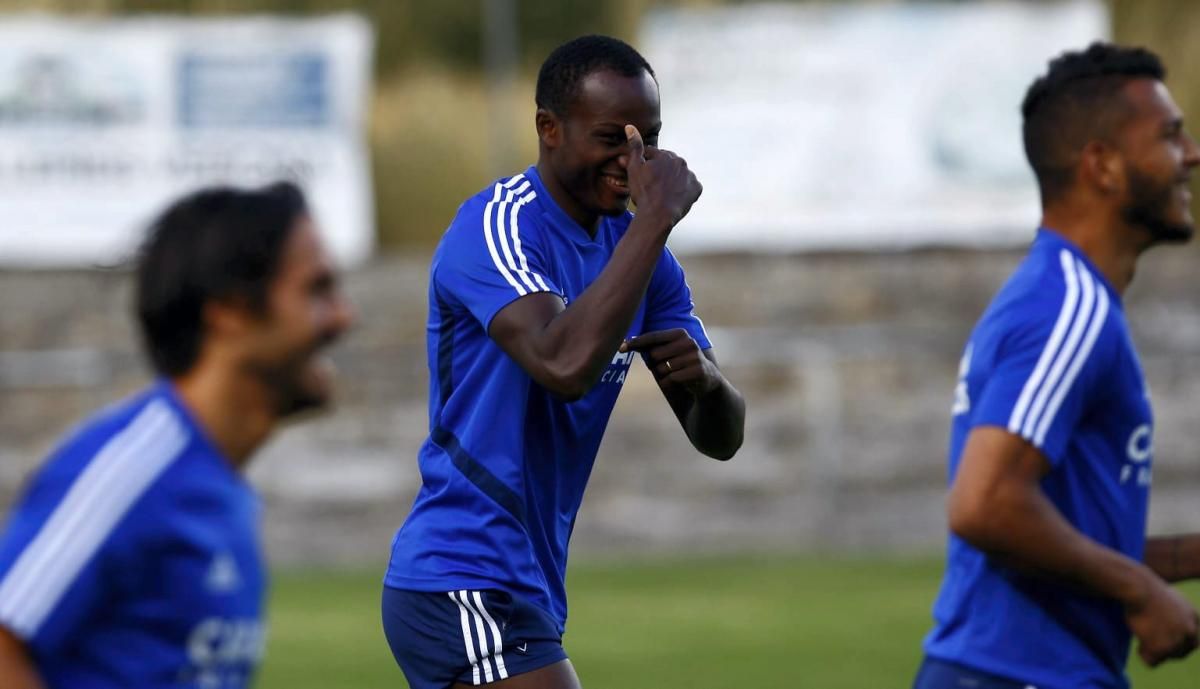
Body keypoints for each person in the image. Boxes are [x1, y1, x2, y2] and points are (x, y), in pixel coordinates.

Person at [381, 34, 746, 689]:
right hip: (463, 572)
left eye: (648, 139)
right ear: (550, 129)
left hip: (529, 581)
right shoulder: (496, 227)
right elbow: (564, 361)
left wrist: (709, 384)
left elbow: (718, 438)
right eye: (612, 138)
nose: (633, 161)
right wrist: (653, 221)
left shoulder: (641, 256)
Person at [914, 43, 1200, 689]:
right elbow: (984, 505)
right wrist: (1140, 592)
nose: (1191, 155)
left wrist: (1173, 565)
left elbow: (1062, 535)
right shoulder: (1066, 308)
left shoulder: (1065, 298)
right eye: (1169, 136)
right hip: (1016, 675)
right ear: (1102, 165)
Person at [0, 182, 354, 689]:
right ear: (229, 310)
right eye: (316, 290)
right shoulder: (132, 472)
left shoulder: (223, 489)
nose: (344, 316)